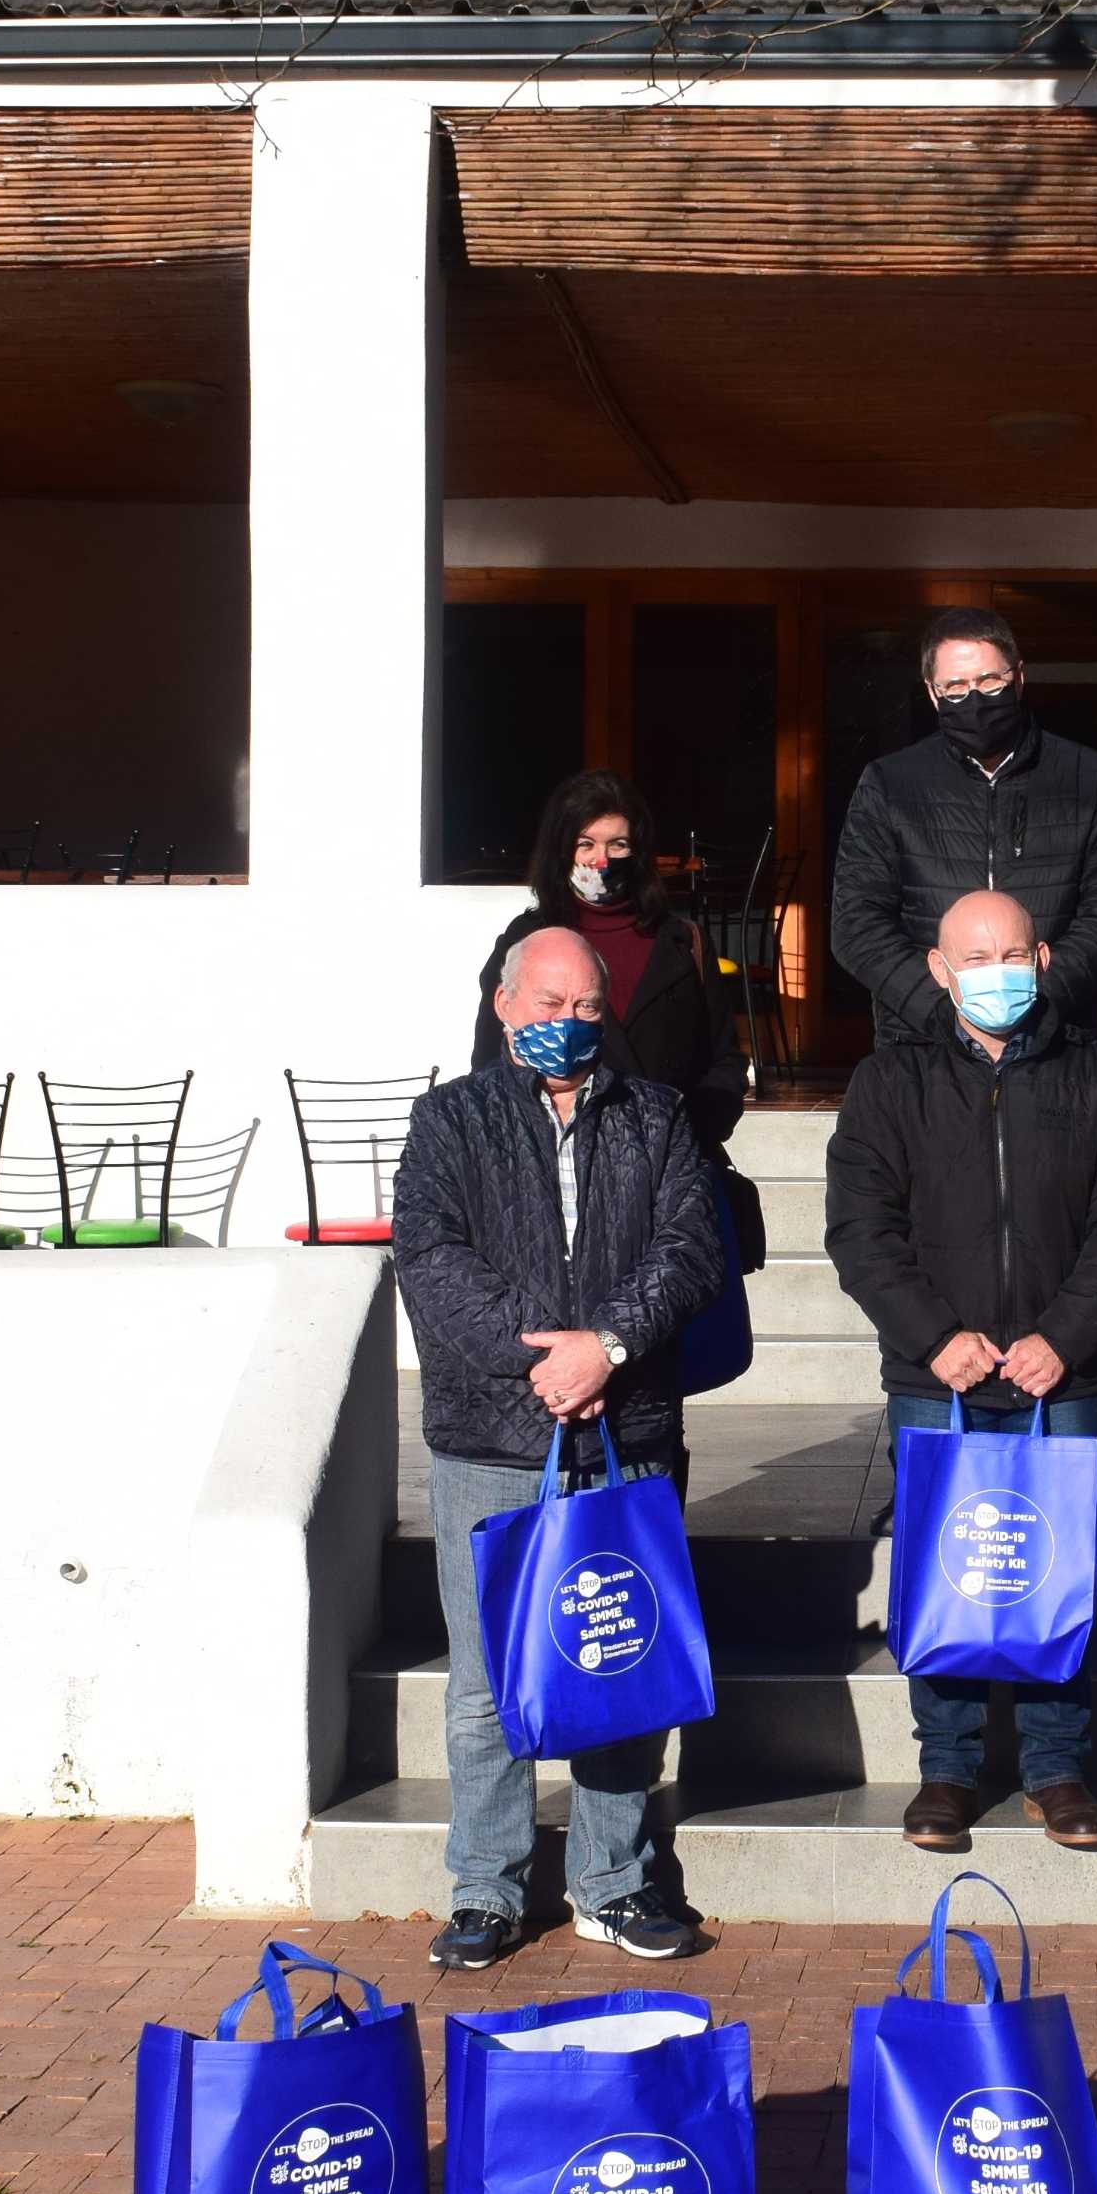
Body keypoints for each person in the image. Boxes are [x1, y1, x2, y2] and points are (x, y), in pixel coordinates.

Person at [392, 925, 725, 1973]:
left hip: (625, 1431)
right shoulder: (449, 1119)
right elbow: (429, 1254)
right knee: (489, 1677)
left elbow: (690, 1251)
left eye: (583, 1008)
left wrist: (608, 1346)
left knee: (617, 1659)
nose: (564, 1024)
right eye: (544, 1005)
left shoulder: (656, 1117)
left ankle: (614, 1882)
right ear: (502, 1005)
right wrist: (542, 1356)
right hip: (492, 1434)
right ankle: (486, 1889)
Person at [824, 889, 1097, 1854]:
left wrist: (1066, 1333)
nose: (998, 972)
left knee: (1060, 1568)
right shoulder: (889, 1084)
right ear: (939, 969)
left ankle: (1058, 1767)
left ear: (1045, 958)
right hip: (939, 1378)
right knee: (950, 1565)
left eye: (1014, 953)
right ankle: (950, 1765)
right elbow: (860, 1232)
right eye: (976, 957)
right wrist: (936, 1336)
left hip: (1065, 1374)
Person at [827, 605, 1097, 1056]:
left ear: (1017, 678)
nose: (973, 699)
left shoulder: (1089, 778)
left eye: (988, 681)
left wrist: (1044, 997)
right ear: (932, 694)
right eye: (954, 687)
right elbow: (856, 923)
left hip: (1060, 1039)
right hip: (923, 1043)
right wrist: (942, 1009)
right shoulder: (890, 784)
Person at [467, 771, 746, 1152]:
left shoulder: (682, 942)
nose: (602, 860)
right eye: (586, 844)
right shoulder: (527, 940)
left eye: (618, 844)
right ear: (562, 849)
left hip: (672, 1166)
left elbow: (724, 1059)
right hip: (558, 1166)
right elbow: (489, 1061)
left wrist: (693, 1129)